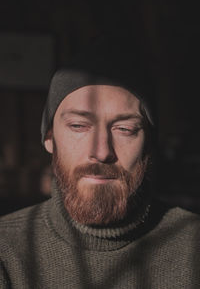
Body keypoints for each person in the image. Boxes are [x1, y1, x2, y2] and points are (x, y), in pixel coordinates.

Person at [1, 35, 200, 289]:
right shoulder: (6, 251)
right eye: (78, 126)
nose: (102, 151)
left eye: (125, 129)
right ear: (49, 138)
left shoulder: (193, 247)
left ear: (148, 143)